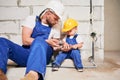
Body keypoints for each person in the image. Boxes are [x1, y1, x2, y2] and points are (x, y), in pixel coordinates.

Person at [0, 0, 65, 80]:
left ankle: (33, 75)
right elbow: (25, 40)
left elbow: (54, 46)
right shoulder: (31, 19)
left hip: (43, 56)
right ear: (48, 13)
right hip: (27, 54)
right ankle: (0, 73)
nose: (56, 21)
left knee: (39, 40)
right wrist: (47, 41)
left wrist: (61, 47)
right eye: (55, 18)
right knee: (2, 41)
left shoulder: (56, 26)